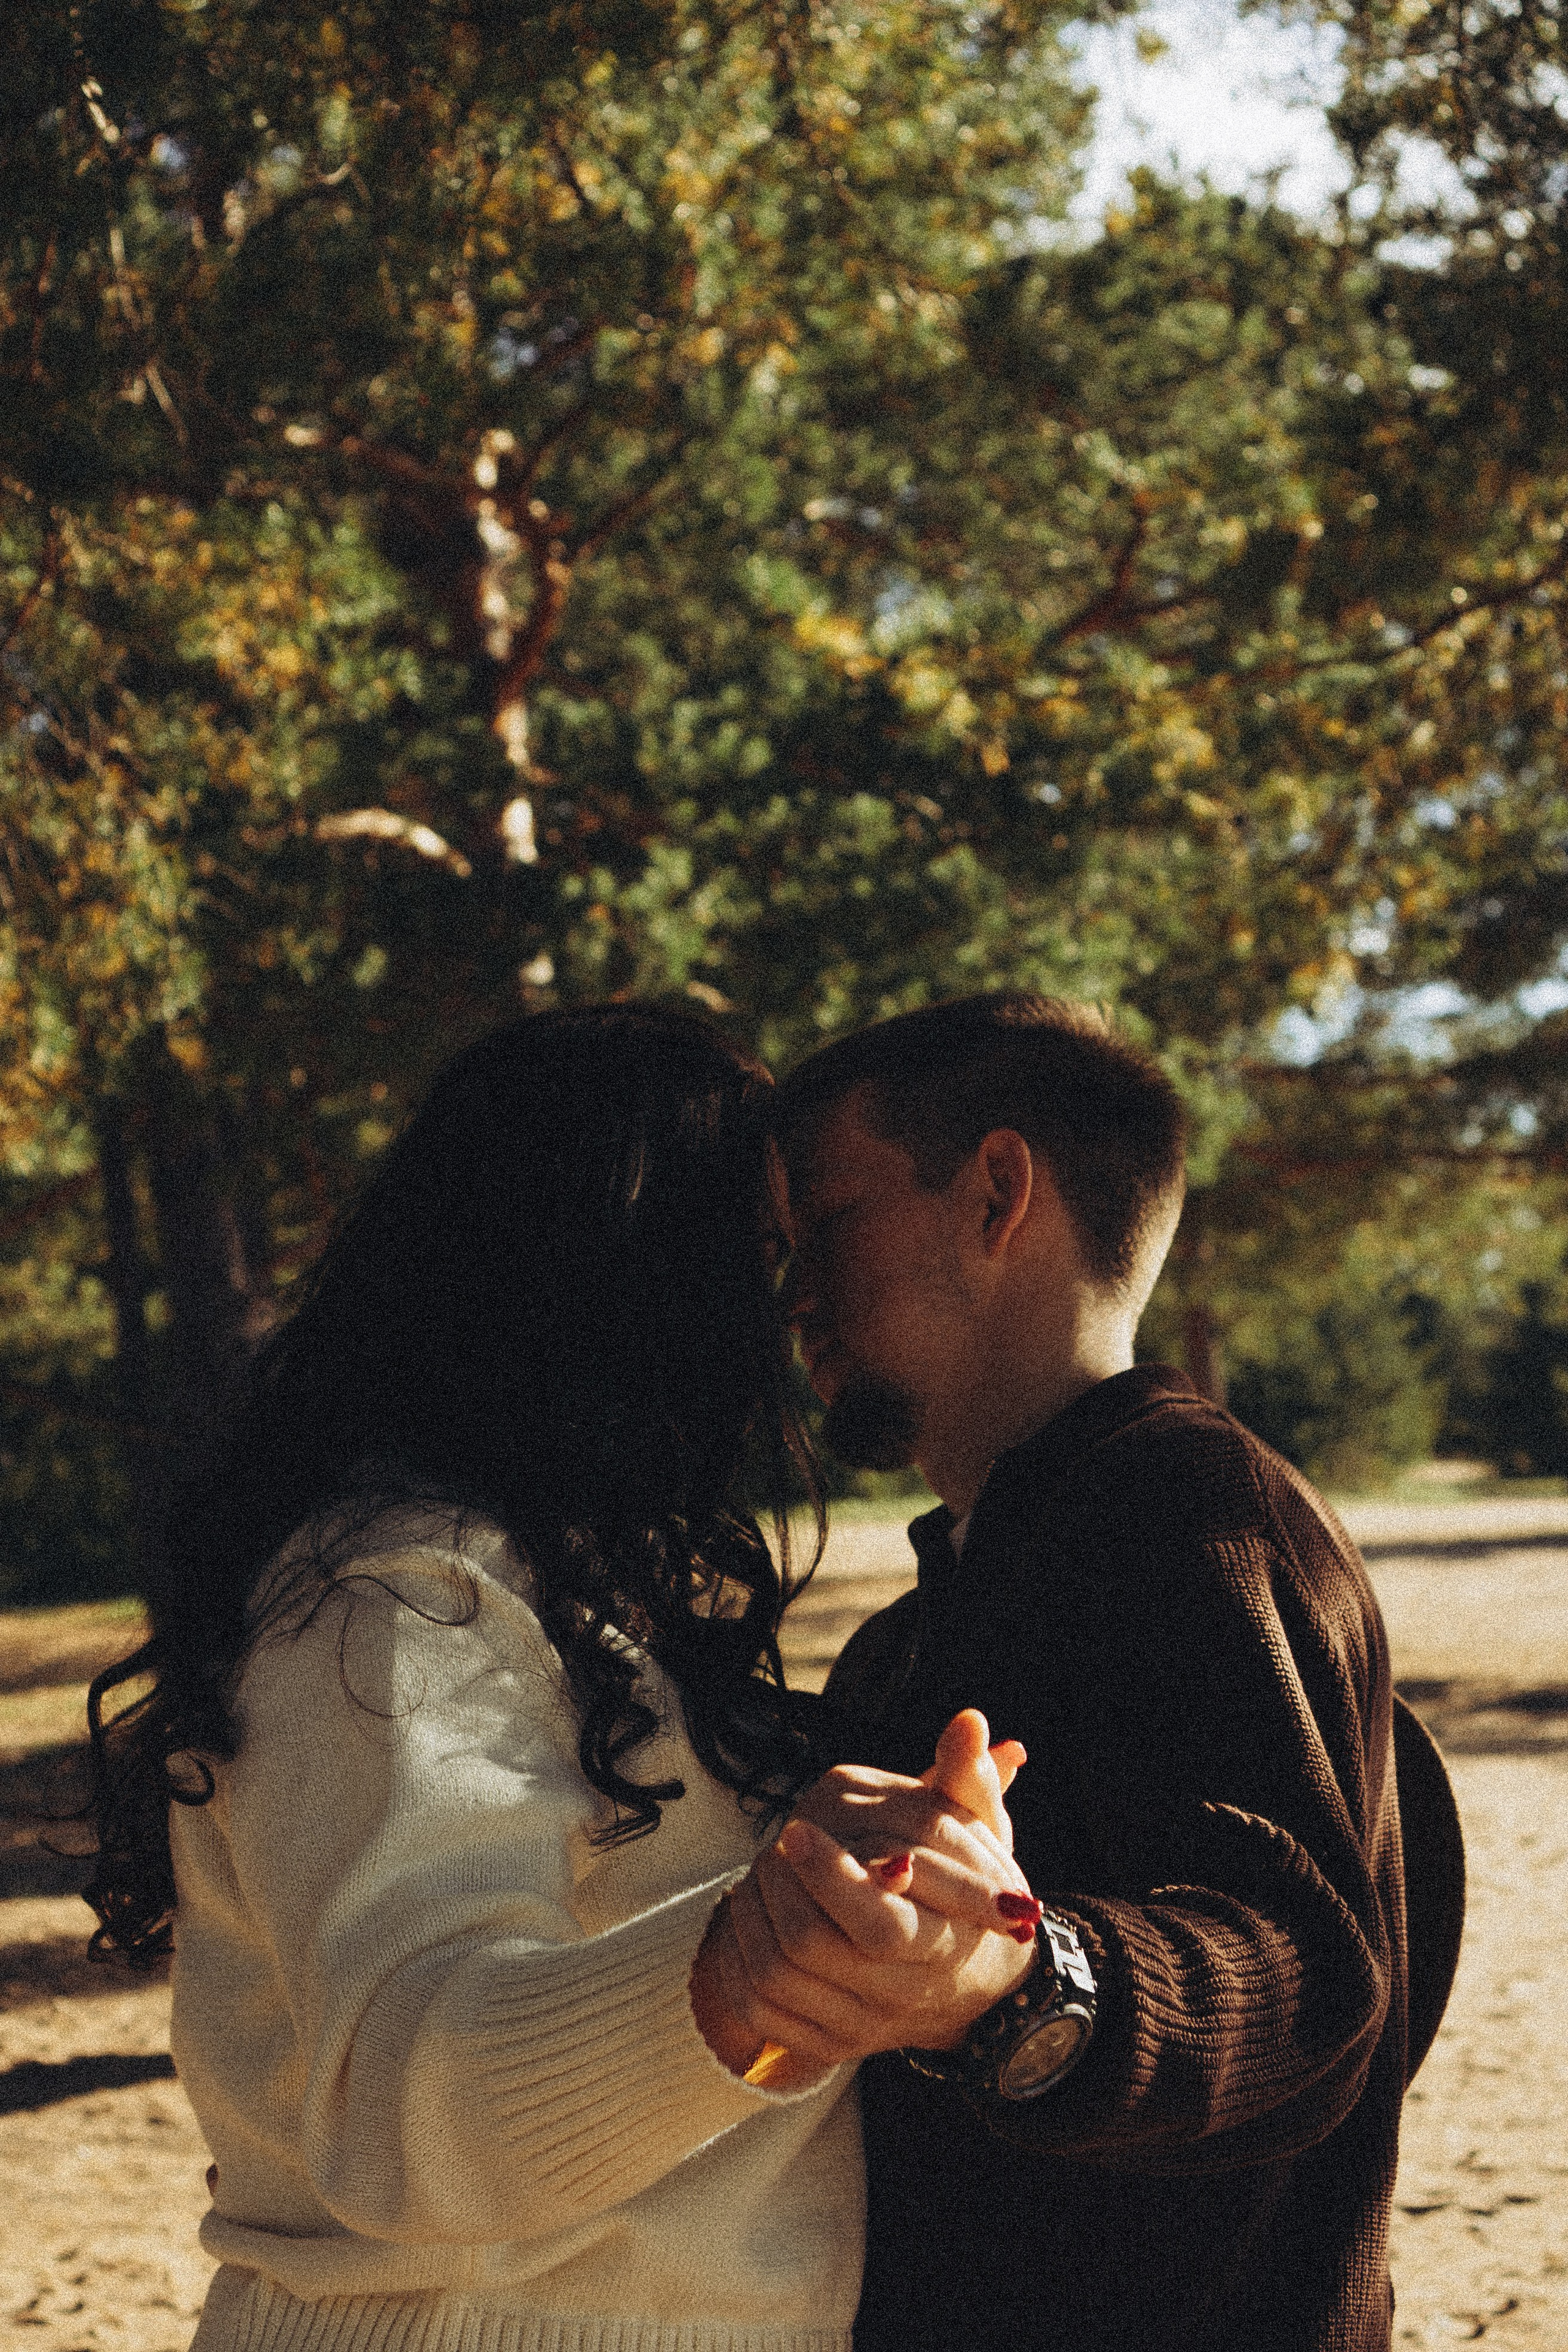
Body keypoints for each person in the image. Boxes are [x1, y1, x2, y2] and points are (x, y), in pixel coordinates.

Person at [83, 1006, 1040, 2352]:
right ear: (618, 1271)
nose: (793, 1312)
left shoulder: (577, 1592)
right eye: (759, 1257)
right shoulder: (391, 1601)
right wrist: (747, 1971)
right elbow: (406, 2100)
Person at [778, 992, 1463, 2352]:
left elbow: (1299, 1967)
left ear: (993, 1194)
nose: (792, 1285)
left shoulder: (1183, 1517)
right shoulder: (933, 1612)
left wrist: (1015, 1989)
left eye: (827, 1218)